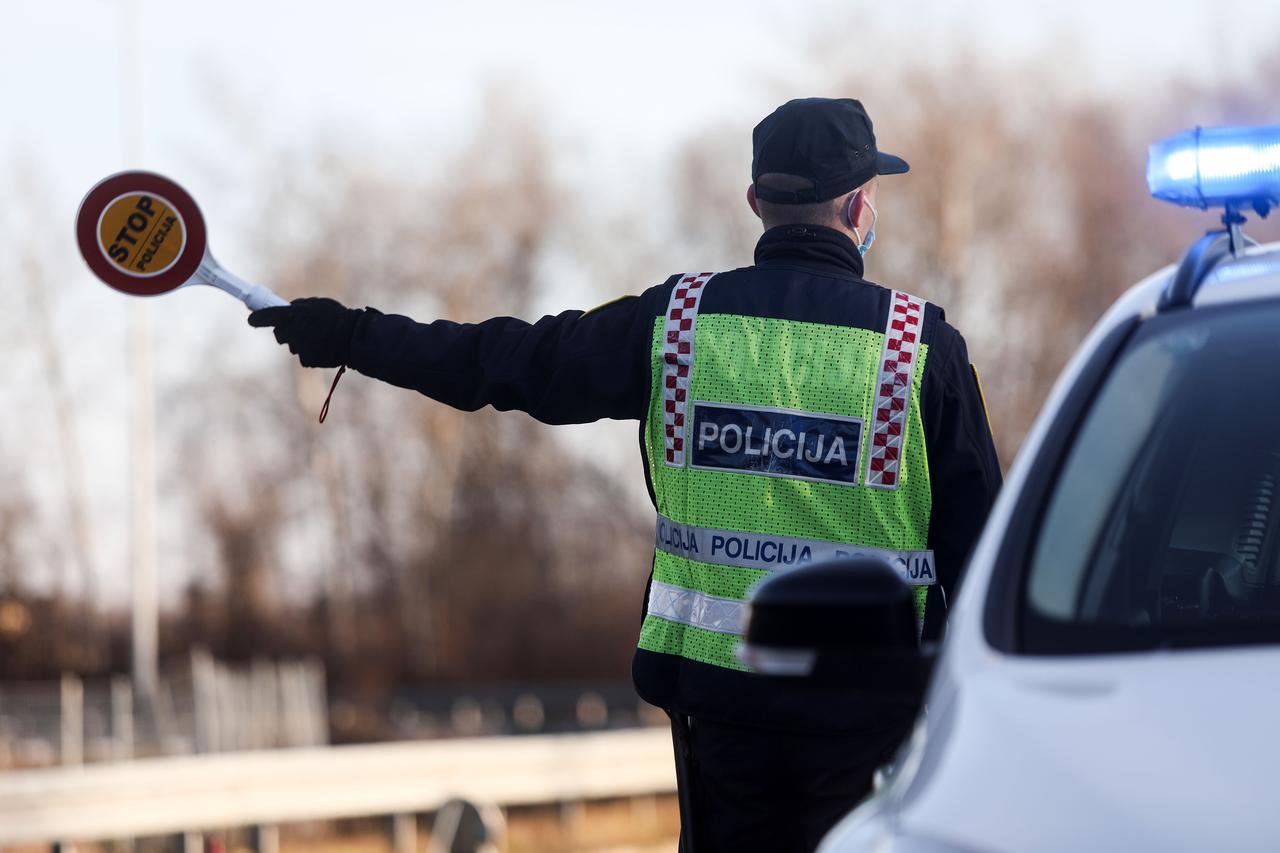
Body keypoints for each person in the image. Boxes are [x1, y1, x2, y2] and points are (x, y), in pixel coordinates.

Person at [249, 97, 1002, 852]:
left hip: (719, 723)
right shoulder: (920, 348)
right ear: (861, 203)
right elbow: (988, 565)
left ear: (755, 204)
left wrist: (354, 334)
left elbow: (504, 360)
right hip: (869, 725)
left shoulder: (678, 322)